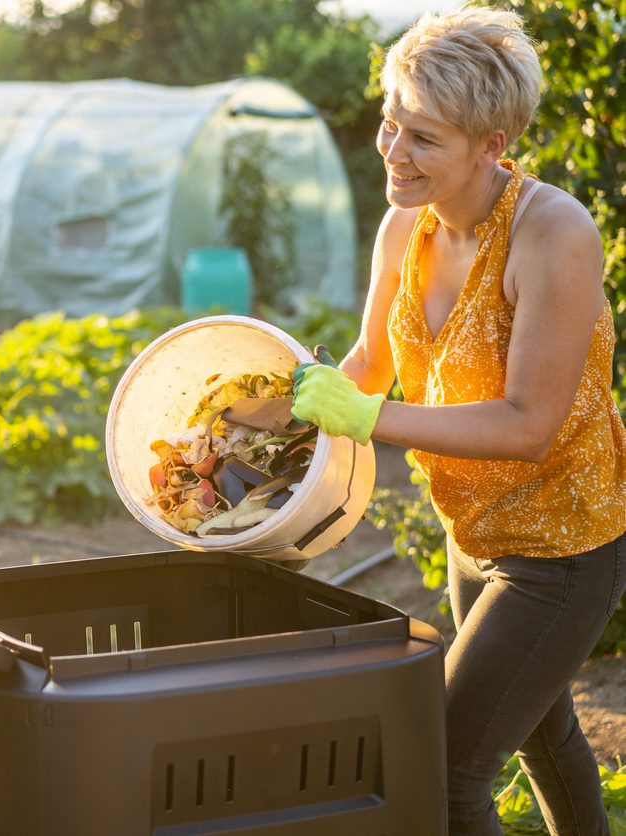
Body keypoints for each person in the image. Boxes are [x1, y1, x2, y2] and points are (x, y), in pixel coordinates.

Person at [289, 5, 626, 834]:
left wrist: (372, 417)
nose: (394, 154)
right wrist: (267, 412)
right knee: (543, 731)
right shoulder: (410, 221)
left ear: (492, 145)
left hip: (561, 544)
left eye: (424, 139)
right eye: (390, 122)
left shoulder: (554, 234)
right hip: (469, 525)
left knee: (442, 767)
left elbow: (526, 425)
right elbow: (368, 365)